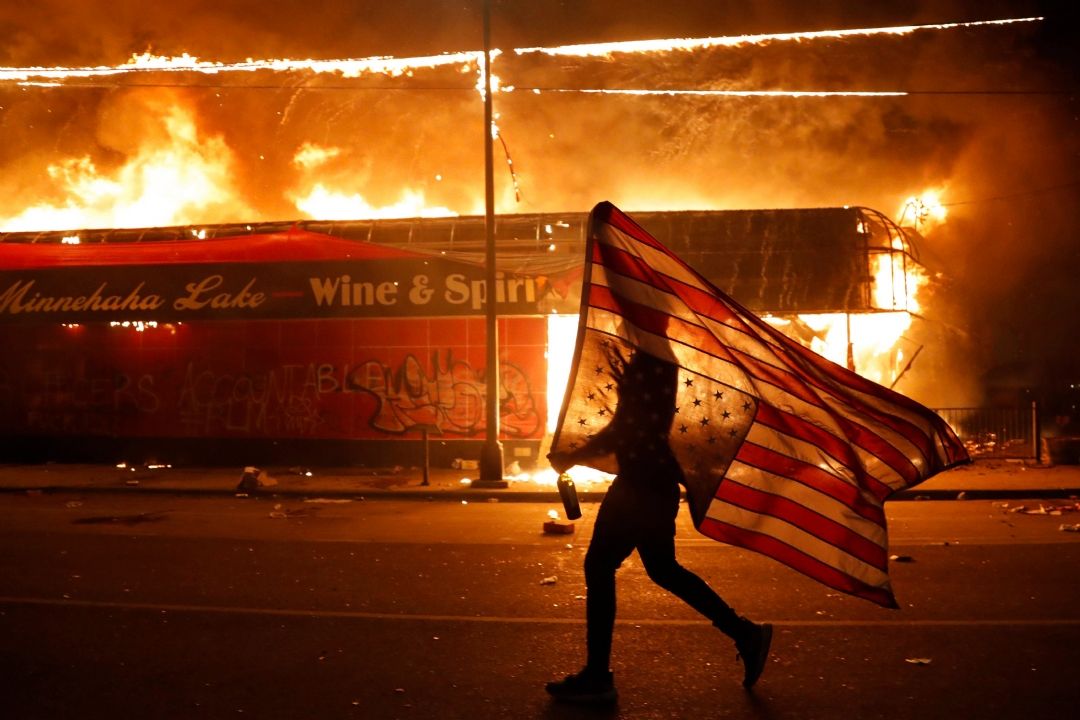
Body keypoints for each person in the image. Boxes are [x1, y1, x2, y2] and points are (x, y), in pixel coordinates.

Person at [545, 348, 772, 704]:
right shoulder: (655, 356)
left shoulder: (651, 359)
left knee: (601, 566)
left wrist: (573, 456)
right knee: (663, 569)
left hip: (641, 485)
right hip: (653, 482)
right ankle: (744, 633)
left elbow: (626, 428)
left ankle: (598, 678)